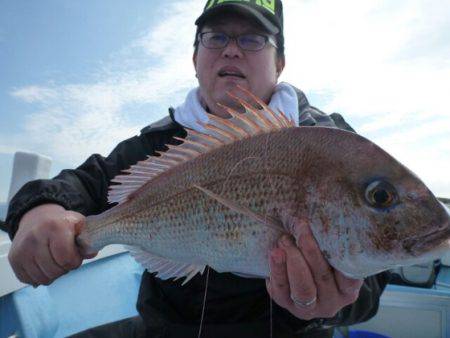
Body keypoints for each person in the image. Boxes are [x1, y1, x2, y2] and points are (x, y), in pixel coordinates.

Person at [5, 1, 391, 337]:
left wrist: (339, 302)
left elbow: (374, 276)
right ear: (195, 60)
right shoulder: (159, 144)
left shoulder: (329, 143)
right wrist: (39, 210)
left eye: (253, 38)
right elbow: (81, 183)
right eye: (216, 37)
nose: (232, 51)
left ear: (280, 63)